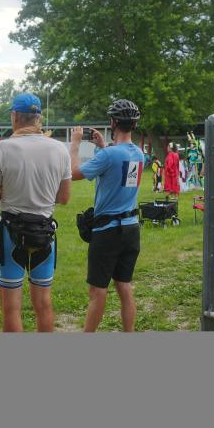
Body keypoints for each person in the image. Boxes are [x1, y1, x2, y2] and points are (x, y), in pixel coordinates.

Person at [0, 93, 71, 332]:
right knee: (43, 304)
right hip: (44, 232)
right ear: (38, 118)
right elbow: (63, 198)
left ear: (14, 117)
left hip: (10, 232)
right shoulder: (59, 149)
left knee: (11, 308)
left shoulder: (3, 148)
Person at [69, 99, 145, 332]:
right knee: (124, 285)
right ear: (133, 124)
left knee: (97, 291)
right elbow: (119, 172)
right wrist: (104, 147)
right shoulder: (138, 154)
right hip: (131, 228)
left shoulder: (109, 155)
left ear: (113, 122)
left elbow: (73, 174)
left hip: (107, 231)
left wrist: (75, 144)